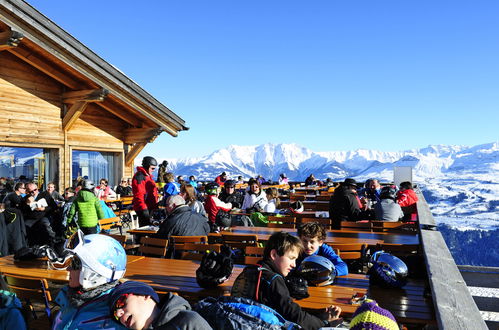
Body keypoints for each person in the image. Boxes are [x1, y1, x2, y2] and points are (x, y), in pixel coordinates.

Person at [231, 232, 342, 329]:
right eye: (291, 258)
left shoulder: (250, 270)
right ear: (274, 254)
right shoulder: (274, 280)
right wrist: (324, 324)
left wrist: (317, 317)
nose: (294, 264)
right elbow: (294, 315)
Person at [52, 231, 128, 329]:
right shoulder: (73, 297)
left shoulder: (109, 320)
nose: (68, 269)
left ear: (93, 274)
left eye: (75, 264)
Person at [109, 281, 211, 330]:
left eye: (121, 302)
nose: (118, 313)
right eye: (115, 315)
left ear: (145, 295)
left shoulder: (187, 321)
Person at [21, 182, 57, 246]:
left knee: (45, 225)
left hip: (43, 216)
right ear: (27, 192)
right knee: (24, 228)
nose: (34, 192)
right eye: (31, 192)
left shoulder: (45, 195)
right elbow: (23, 210)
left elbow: (54, 207)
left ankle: (52, 243)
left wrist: (44, 209)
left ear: (37, 188)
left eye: (35, 190)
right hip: (31, 218)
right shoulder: (26, 198)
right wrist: (27, 204)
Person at [132, 156, 159, 227]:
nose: (153, 170)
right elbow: (139, 194)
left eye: (154, 168)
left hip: (150, 207)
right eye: (152, 168)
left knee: (151, 228)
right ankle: (139, 238)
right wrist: (144, 209)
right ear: (147, 166)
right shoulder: (140, 176)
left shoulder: (147, 176)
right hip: (143, 208)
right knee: (145, 228)